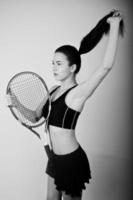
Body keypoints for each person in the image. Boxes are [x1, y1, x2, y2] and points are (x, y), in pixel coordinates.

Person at [8, 9, 124, 200]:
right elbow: (35, 116)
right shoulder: (53, 90)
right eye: (52, 63)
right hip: (53, 159)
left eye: (59, 63)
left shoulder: (78, 94)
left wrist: (113, 26)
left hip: (71, 161)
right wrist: (15, 103)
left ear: (73, 68)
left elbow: (106, 66)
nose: (54, 67)